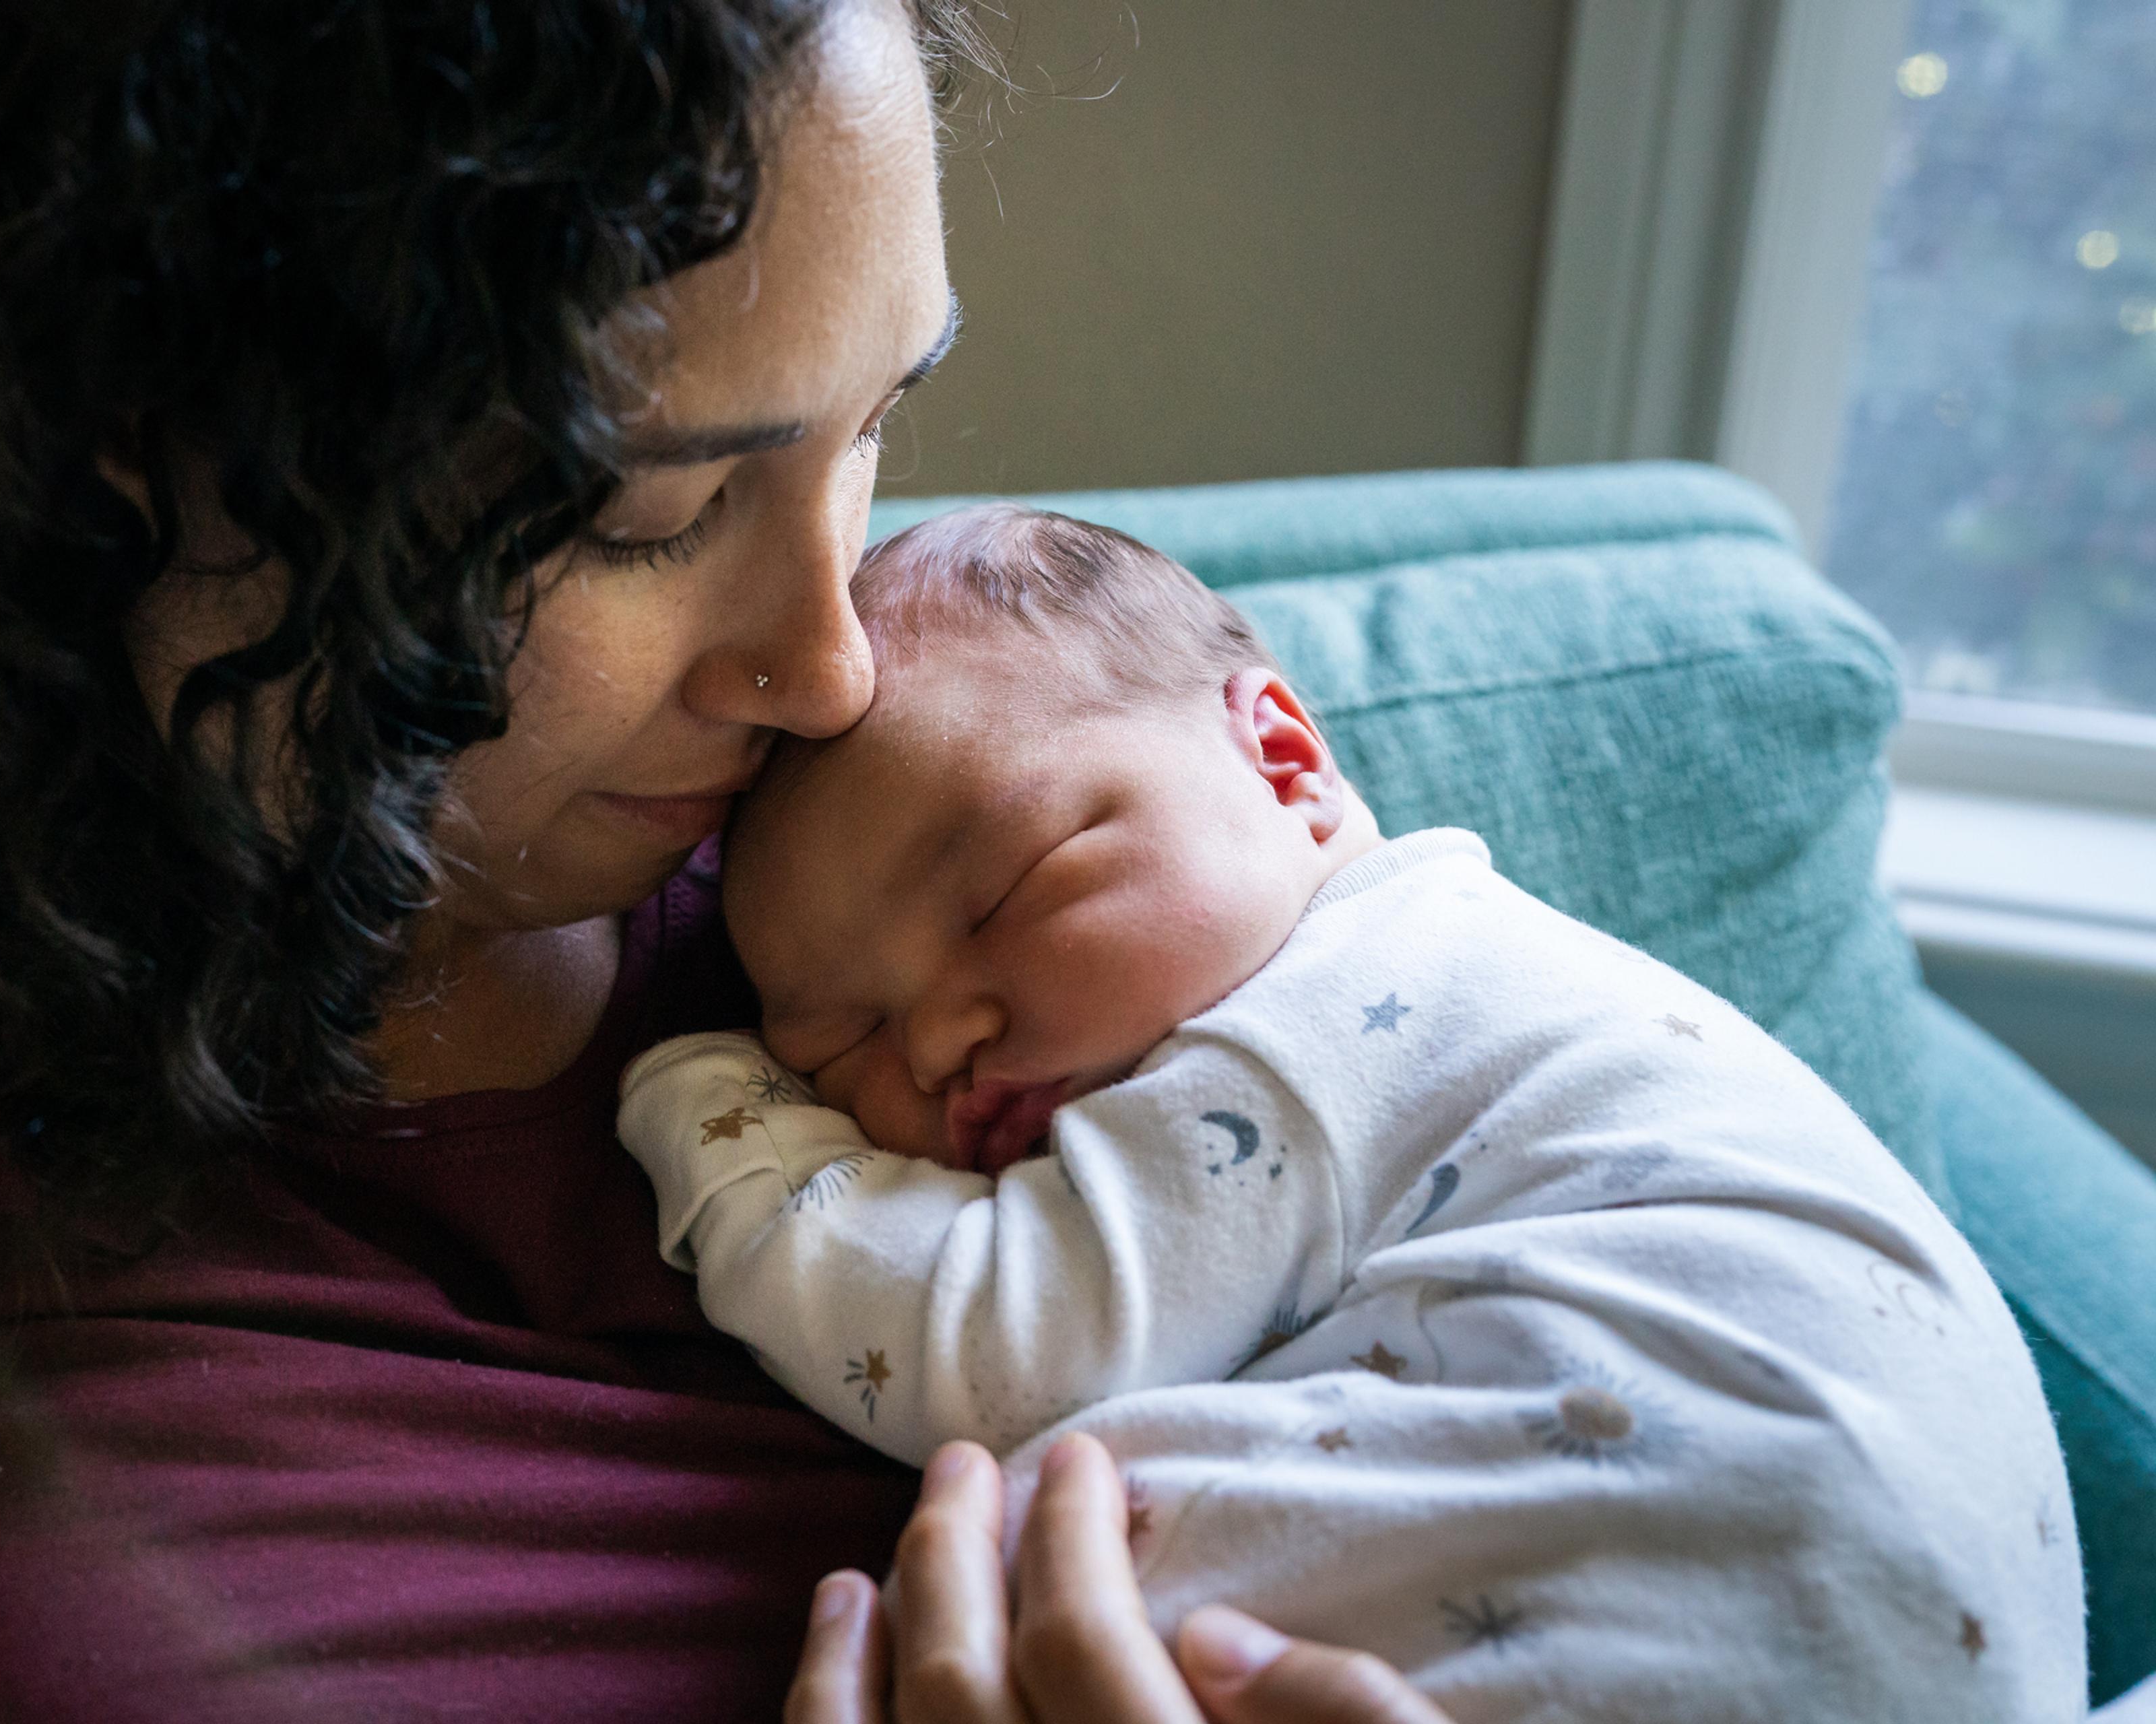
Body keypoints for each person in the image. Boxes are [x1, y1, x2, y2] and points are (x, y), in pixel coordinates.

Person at [0, 1, 1454, 1719]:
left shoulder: (1011, 889)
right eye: (651, 517)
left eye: (879, 424)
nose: (831, 667)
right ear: (95, 434)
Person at [618, 505, 2089, 1719]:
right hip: (1874, 1601)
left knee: (1024, 1521)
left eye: (1011, 889)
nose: (940, 1040)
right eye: (841, 1040)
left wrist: (718, 1104)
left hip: (1753, 1559)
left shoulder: (1322, 1017)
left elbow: (1006, 1351)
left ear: (1284, 758)